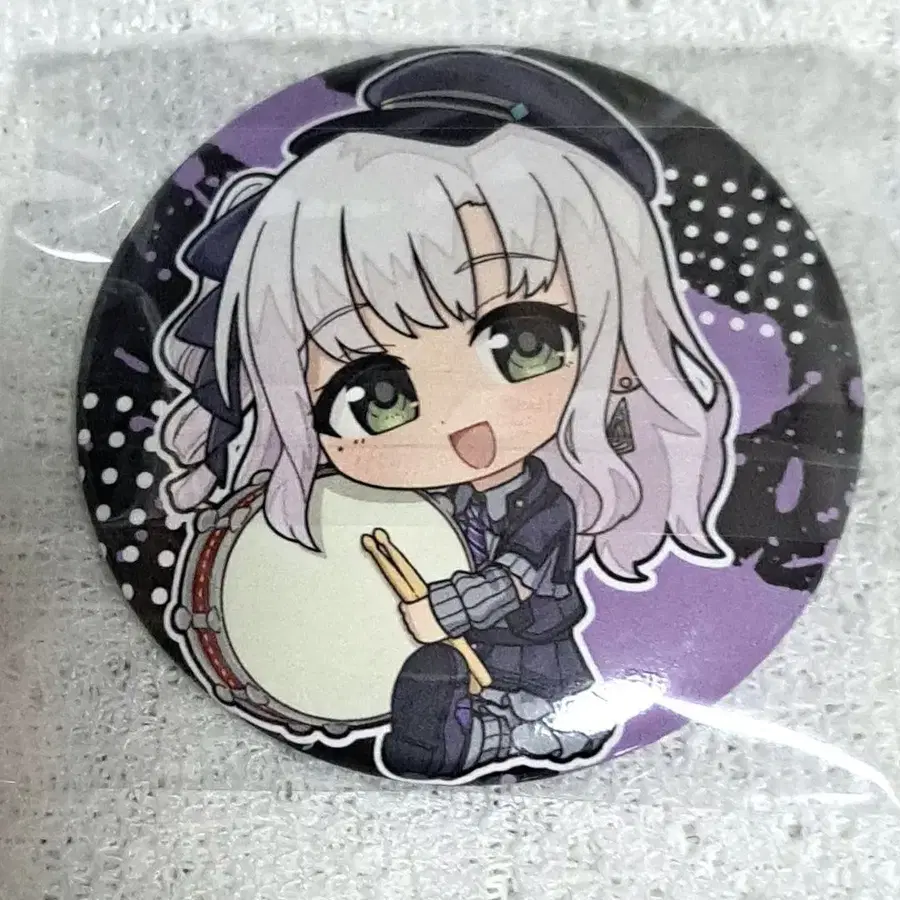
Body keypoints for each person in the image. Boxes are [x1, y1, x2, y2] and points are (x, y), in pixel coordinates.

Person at [154, 48, 736, 780]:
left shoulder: (545, 504)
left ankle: (524, 730)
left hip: (532, 661)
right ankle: (459, 733)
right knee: (427, 713)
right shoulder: (416, 508)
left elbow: (514, 579)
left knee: (518, 715)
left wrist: (448, 612)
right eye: (377, 397)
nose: (464, 424)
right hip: (448, 662)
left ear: (617, 348)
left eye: (524, 345)